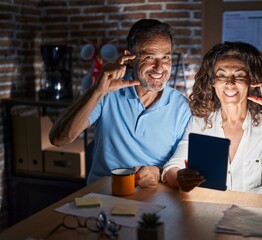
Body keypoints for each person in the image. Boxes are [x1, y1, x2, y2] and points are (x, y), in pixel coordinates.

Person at [49, 19, 191, 186]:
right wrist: (98, 90)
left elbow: (182, 165)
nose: (159, 67)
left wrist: (158, 172)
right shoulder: (107, 92)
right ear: (130, 58)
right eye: (150, 57)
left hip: (154, 196)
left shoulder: (182, 107)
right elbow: (59, 139)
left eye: (166, 57)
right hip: (104, 194)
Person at [161, 42, 262, 195]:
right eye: (221, 75)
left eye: (239, 75)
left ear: (251, 81)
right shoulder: (200, 122)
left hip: (256, 215)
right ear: (213, 82)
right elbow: (172, 167)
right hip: (211, 211)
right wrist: (179, 178)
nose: (229, 83)